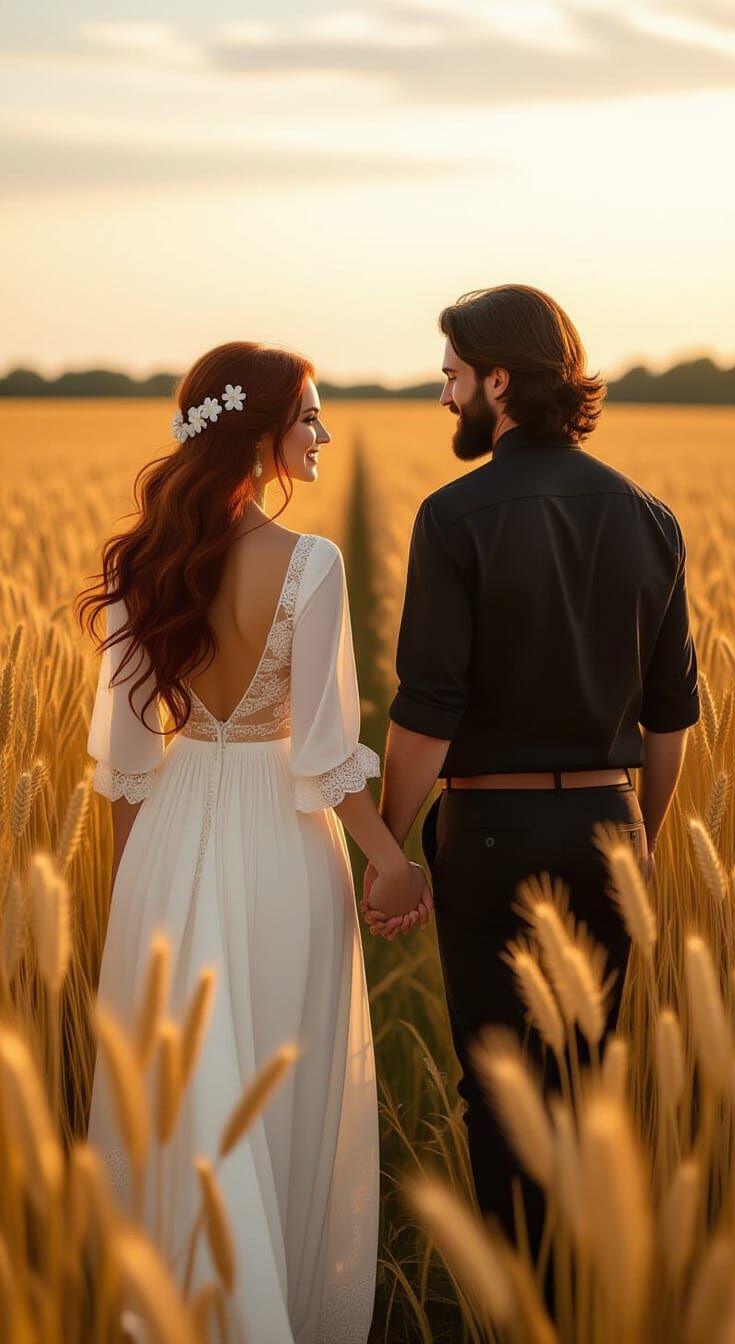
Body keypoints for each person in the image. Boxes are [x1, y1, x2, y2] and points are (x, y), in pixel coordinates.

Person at [76, 341, 431, 1344]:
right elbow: (321, 753)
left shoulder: (143, 561)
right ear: (260, 431)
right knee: (280, 1066)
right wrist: (389, 858)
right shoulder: (310, 564)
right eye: (308, 416)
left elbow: (126, 769)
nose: (321, 435)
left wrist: (126, 892)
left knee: (177, 1089)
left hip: (165, 838)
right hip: (283, 847)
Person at [361, 284, 700, 1265]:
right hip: (611, 833)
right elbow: (670, 716)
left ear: (498, 381)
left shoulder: (453, 517)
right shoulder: (650, 516)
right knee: (588, 1091)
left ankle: (522, 1303)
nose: (444, 397)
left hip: (492, 839)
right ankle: (587, 1299)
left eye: (453, 378)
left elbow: (428, 712)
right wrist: (638, 832)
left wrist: (387, 848)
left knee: (500, 1095)